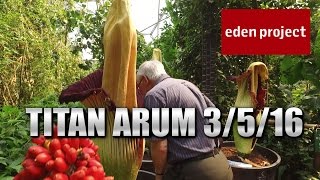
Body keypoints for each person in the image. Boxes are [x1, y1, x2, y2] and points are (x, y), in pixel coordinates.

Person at [136, 60, 233, 180]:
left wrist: (159, 175)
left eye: (138, 84)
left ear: (145, 80)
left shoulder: (154, 95)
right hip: (220, 165)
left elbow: (160, 145)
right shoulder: (187, 85)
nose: (139, 89)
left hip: (194, 172)